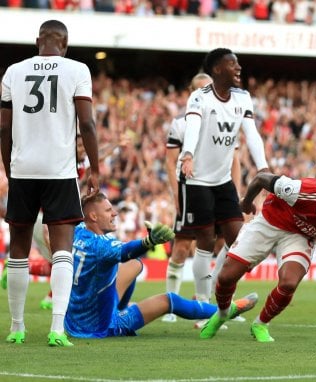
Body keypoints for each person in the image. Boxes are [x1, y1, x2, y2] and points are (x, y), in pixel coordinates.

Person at [1, 20, 100, 346]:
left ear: (37, 41)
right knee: (62, 251)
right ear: (65, 43)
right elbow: (86, 122)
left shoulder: (13, 72)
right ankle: (57, 328)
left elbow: (3, 128)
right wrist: (95, 169)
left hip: (23, 169)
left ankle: (17, 327)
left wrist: (10, 169)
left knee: (18, 251)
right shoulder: (78, 70)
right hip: (59, 170)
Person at [199, 172, 316, 344]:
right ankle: (223, 314)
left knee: (289, 283)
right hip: (269, 222)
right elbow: (261, 178)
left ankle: (260, 324)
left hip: (299, 236)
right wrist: (247, 202)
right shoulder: (301, 191)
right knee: (226, 277)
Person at [64, 192, 258, 339]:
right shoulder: (101, 246)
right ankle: (226, 311)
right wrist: (148, 242)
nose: (114, 213)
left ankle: (120, 308)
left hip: (73, 322)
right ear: (94, 217)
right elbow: (125, 251)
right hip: (100, 327)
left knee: (133, 265)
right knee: (169, 300)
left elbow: (126, 256)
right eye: (108, 210)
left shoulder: (79, 230)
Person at [179, 48, 269, 309]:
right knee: (205, 241)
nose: (238, 68)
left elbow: (251, 134)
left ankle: (222, 301)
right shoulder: (199, 98)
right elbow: (193, 126)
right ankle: (203, 304)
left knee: (239, 242)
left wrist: (262, 167)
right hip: (196, 178)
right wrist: (187, 154)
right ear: (217, 69)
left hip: (222, 180)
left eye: (238, 63)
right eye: (232, 64)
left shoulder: (243, 98)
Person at [162, 72, 243, 325]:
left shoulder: (228, 116)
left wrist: (237, 193)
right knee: (183, 247)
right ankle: (174, 304)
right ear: (191, 92)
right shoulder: (181, 124)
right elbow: (169, 162)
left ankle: (219, 302)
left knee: (229, 244)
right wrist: (176, 194)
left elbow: (235, 161)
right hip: (193, 189)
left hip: (221, 189)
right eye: (201, 89)